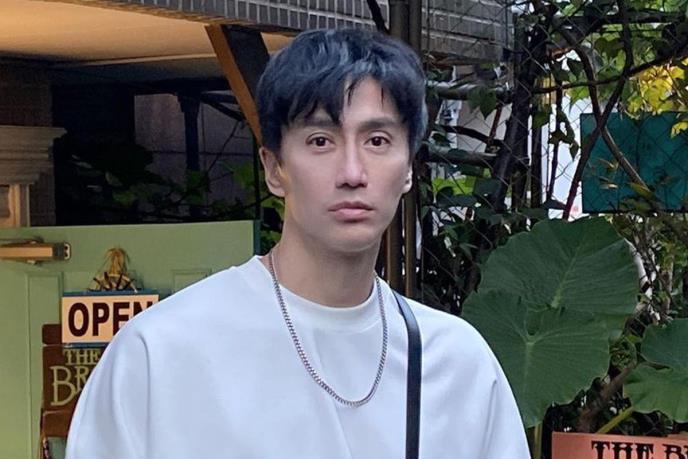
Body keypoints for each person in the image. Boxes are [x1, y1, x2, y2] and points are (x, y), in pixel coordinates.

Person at [66, 28, 529, 458]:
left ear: (408, 167)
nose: (352, 173)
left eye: (377, 140)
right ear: (274, 168)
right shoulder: (161, 352)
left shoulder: (455, 363)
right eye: (321, 141)